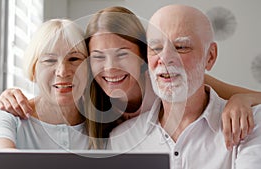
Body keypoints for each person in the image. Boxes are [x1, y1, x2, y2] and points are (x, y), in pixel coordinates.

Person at [0, 6, 261, 149]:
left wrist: (240, 100)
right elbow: (53, 98)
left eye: (122, 54)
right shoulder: (91, 95)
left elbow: (252, 97)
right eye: (98, 56)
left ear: (143, 55)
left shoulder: (165, 79)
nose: (109, 68)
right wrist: (10, 96)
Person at [108, 4, 261, 168]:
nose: (165, 59)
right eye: (156, 48)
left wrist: (242, 98)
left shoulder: (251, 122)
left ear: (210, 56)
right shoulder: (121, 140)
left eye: (181, 47)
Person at [0, 19, 90, 149]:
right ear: (33, 70)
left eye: (74, 59)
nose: (63, 72)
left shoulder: (104, 123)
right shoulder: (5, 115)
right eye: (50, 60)